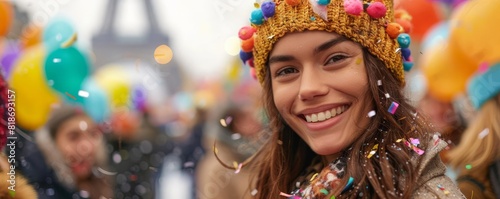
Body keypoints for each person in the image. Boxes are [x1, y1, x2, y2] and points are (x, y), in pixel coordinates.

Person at [233, 0, 464, 198]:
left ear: (380, 70)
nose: (309, 89)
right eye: (286, 71)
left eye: (335, 59)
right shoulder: (287, 185)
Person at [34, 105, 112, 199]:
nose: (86, 147)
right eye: (73, 137)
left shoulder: (107, 185)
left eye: (92, 134)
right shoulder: (37, 193)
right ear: (51, 145)